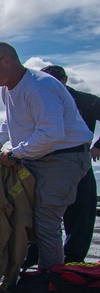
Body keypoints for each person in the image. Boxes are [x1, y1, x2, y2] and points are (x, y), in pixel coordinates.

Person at [0, 42, 92, 270]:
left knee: (46, 221)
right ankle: (31, 272)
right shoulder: (9, 87)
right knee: (24, 215)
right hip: (38, 157)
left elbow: (51, 133)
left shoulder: (40, 87)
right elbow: (13, 118)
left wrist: (14, 153)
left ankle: (50, 281)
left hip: (62, 159)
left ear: (6, 61)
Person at [39, 65, 100, 262]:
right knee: (44, 214)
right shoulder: (39, 101)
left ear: (65, 79)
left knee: (82, 211)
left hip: (79, 161)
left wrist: (98, 146)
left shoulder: (86, 100)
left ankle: (73, 259)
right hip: (46, 164)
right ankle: (39, 257)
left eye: (56, 79)